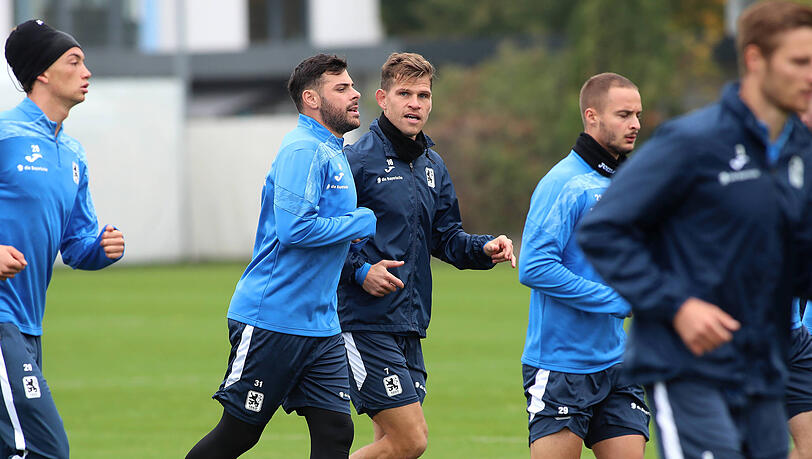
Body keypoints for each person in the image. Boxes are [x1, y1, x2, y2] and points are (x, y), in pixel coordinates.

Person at [577, 1, 812, 457]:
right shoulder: (694, 142)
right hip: (688, 369)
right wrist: (679, 306)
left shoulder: (799, 151)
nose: (810, 76)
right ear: (755, 60)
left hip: (764, 369)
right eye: (799, 62)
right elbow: (604, 231)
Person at [186, 54, 376, 459]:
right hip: (273, 318)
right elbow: (295, 230)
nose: (355, 94)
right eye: (342, 88)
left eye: (352, 85)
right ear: (311, 98)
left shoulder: (333, 150)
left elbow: (325, 232)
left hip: (321, 325)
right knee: (239, 434)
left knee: (335, 431)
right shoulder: (303, 149)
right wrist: (358, 222)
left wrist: (356, 259)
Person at [337, 52, 515, 459]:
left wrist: (484, 248)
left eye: (423, 95)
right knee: (411, 440)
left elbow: (446, 237)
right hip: (364, 323)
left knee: (392, 445)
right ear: (382, 98)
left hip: (410, 323)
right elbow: (325, 237)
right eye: (405, 93)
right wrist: (361, 271)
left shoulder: (432, 164)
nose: (415, 103)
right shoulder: (355, 162)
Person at [0, 19, 125, 459]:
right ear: (42, 73)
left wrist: (100, 248)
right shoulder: (4, 134)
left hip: (28, 326)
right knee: (46, 449)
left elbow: (77, 244)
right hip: (2, 322)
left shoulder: (72, 153)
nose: (86, 71)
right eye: (74, 61)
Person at [518, 73, 648, 459]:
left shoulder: (627, 183)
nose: (635, 124)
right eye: (623, 115)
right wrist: (615, 299)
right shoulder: (564, 183)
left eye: (637, 115)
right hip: (561, 366)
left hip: (617, 362)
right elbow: (535, 266)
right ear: (592, 117)